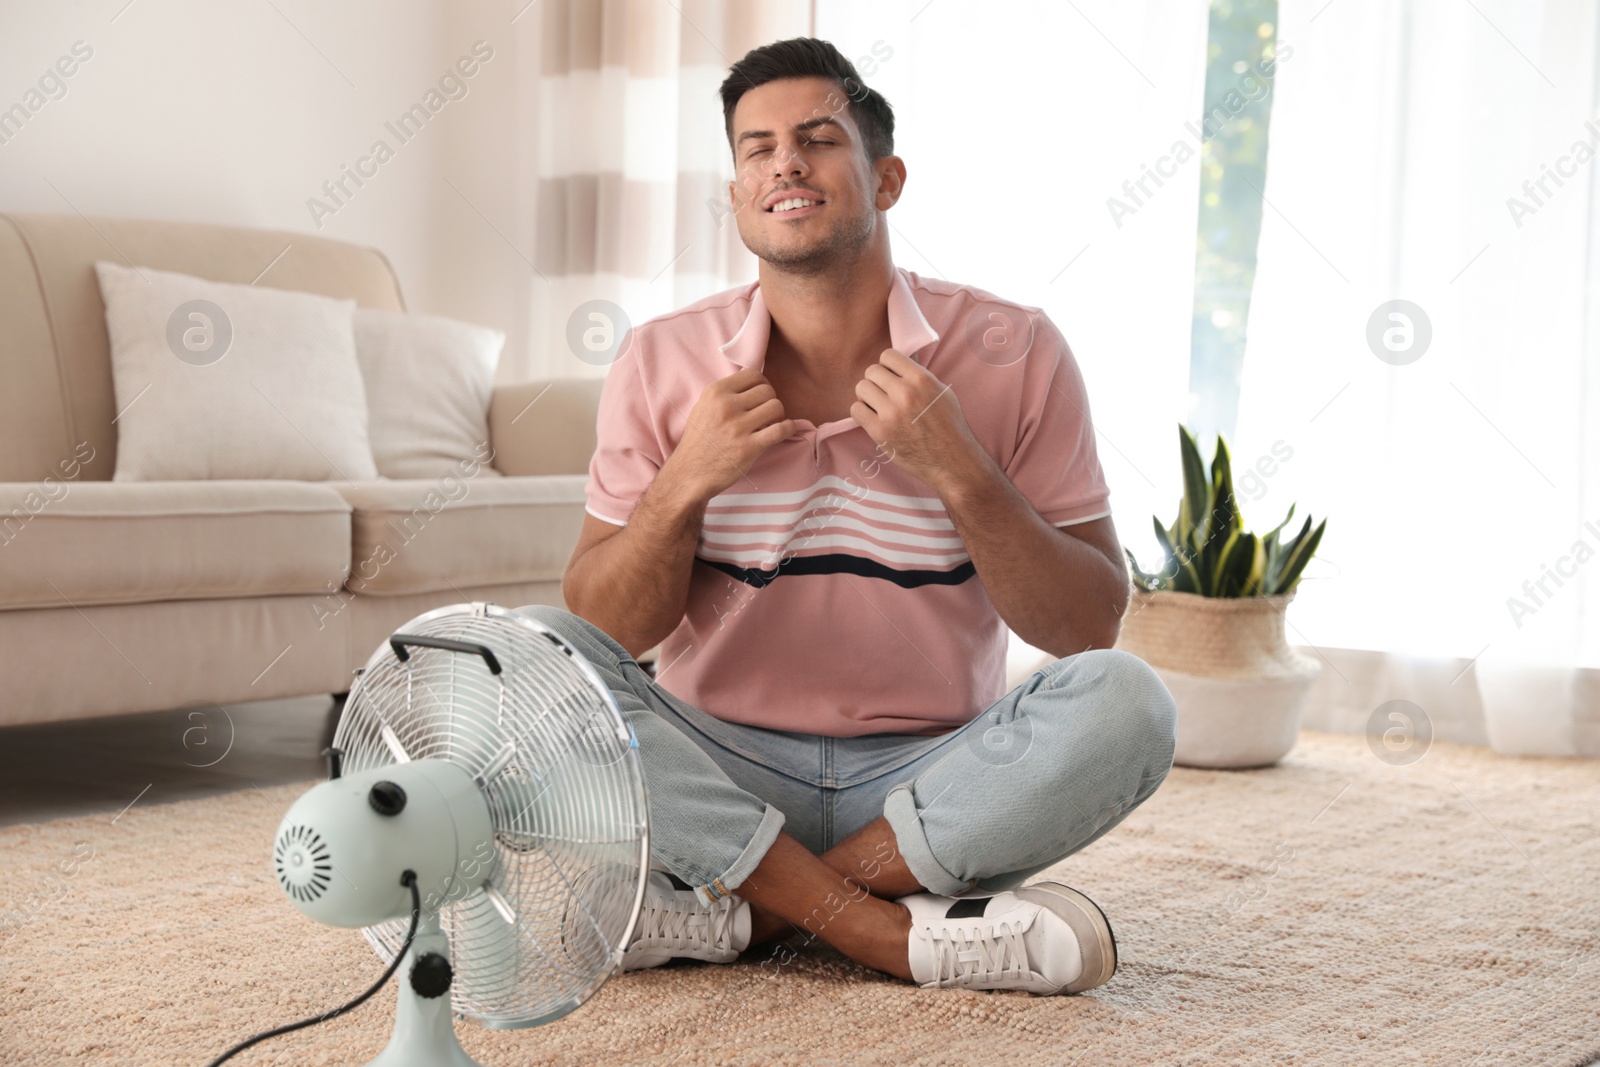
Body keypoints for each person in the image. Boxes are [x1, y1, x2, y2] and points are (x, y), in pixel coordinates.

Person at [530, 36, 1176, 995]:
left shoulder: (1017, 349)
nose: (784, 161)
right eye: (755, 148)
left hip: (935, 775)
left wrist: (963, 472)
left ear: (888, 179)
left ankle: (744, 911)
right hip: (720, 770)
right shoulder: (663, 360)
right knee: (532, 652)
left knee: (1131, 702)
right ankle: (889, 935)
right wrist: (683, 486)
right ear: (740, 192)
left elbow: (1086, 627)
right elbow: (604, 630)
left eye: (818, 137)